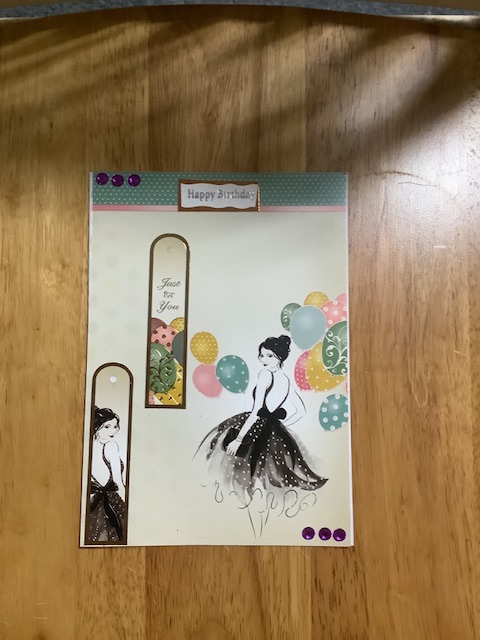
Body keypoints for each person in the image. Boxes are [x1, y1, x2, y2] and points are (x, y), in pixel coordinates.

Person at [196, 335, 327, 532]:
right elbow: (300, 410)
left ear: (279, 357)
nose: (263, 359)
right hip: (273, 429)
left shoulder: (265, 375)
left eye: (269, 355)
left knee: (238, 470)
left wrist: (239, 438)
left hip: (255, 426)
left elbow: (256, 411)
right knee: (267, 473)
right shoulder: (285, 379)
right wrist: (280, 424)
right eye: (261, 355)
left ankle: (240, 517)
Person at [88, 406, 126, 543]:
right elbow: (118, 482)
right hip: (111, 502)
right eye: (107, 427)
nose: (113, 431)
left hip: (93, 503)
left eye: (115, 426)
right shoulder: (111, 446)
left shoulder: (87, 447)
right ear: (96, 427)